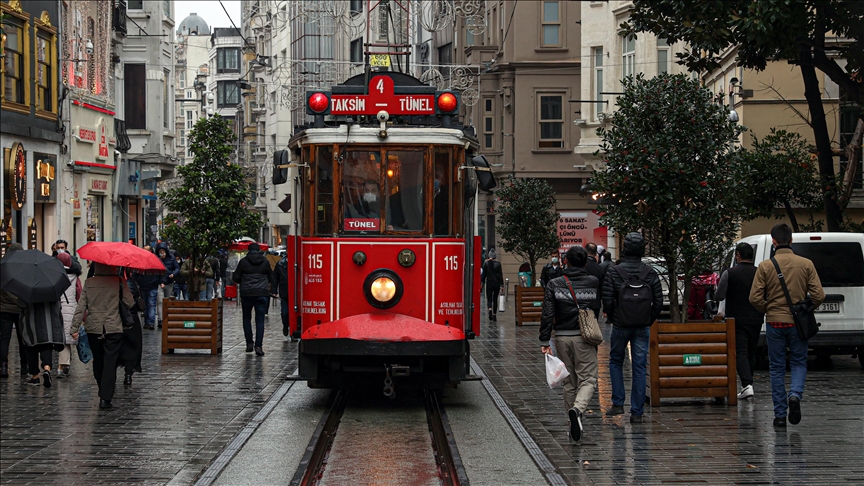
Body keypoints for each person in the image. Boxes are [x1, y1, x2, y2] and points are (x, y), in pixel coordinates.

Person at [749, 223, 824, 427]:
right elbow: (819, 295)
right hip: (798, 324)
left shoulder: (765, 266)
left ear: (774, 242)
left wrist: (768, 308)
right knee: (799, 362)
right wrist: (806, 308)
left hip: (775, 322)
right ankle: (795, 395)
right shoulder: (806, 264)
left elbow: (754, 297)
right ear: (791, 240)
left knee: (776, 368)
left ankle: (780, 415)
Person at [539, 246, 600, 442]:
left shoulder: (554, 284)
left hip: (562, 337)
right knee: (588, 379)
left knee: (569, 381)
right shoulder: (593, 282)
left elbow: (547, 313)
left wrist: (544, 339)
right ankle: (578, 410)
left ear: (566, 262)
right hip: (584, 338)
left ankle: (572, 423)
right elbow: (596, 308)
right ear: (585, 263)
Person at [601, 232, 663, 423]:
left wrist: (614, 317)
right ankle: (637, 412)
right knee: (639, 366)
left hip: (620, 325)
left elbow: (608, 299)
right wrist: (648, 319)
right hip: (641, 325)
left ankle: (618, 402)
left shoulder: (614, 271)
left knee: (616, 361)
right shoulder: (650, 273)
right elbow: (659, 302)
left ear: (625, 249)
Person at [71, 263, 135, 409]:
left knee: (98, 360)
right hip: (114, 327)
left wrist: (74, 327)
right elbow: (129, 303)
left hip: (94, 328)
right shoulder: (119, 281)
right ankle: (105, 397)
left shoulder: (90, 282)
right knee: (110, 362)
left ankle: (102, 388)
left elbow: (81, 307)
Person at [714, 242, 765, 400]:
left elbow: (720, 295)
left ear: (738, 256)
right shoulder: (759, 273)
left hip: (736, 318)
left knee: (740, 351)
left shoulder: (730, 273)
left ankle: (747, 384)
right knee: (751, 351)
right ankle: (749, 383)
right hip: (756, 317)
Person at [232, 243, 276, 355]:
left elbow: (236, 277)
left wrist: (243, 280)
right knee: (260, 320)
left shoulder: (243, 262)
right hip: (261, 293)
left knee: (247, 318)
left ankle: (249, 343)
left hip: (247, 294)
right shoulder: (265, 262)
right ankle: (259, 346)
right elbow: (271, 277)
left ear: (248, 250)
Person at [0, 243, 28, 379]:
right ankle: (25, 365)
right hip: (20, 308)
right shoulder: (25, 268)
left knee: (4, 339)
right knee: (22, 338)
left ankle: (3, 366)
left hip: (4, 309)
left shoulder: (2, 266)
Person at [55, 252, 81, 378]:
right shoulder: (75, 276)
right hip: (71, 308)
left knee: (60, 337)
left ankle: (62, 364)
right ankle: (64, 364)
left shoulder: (54, 275)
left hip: (56, 308)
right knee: (67, 337)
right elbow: (79, 293)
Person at [155, 242, 179, 327]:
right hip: (159, 282)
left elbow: (177, 268)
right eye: (160, 251)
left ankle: (166, 317)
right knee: (160, 301)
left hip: (169, 282)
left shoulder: (171, 258)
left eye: (163, 250)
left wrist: (174, 274)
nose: (162, 252)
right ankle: (160, 319)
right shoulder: (156, 258)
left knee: (167, 300)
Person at [480, 249, 504, 322]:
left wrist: (482, 283)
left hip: (489, 283)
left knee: (489, 298)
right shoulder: (498, 264)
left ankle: (490, 309)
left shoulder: (486, 264)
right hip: (496, 283)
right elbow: (500, 275)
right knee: (495, 299)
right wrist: (502, 285)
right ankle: (494, 315)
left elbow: (483, 275)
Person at [584, 243, 606, 319]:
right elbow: (603, 288)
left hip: (581, 301)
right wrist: (605, 308)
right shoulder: (600, 268)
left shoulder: (581, 266)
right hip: (595, 302)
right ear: (596, 253)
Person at [274, 252, 291, 341]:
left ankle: (292, 330)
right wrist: (273, 290)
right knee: (285, 312)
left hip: (296, 293)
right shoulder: (280, 264)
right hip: (284, 292)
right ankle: (285, 325)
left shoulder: (299, 263)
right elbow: (275, 278)